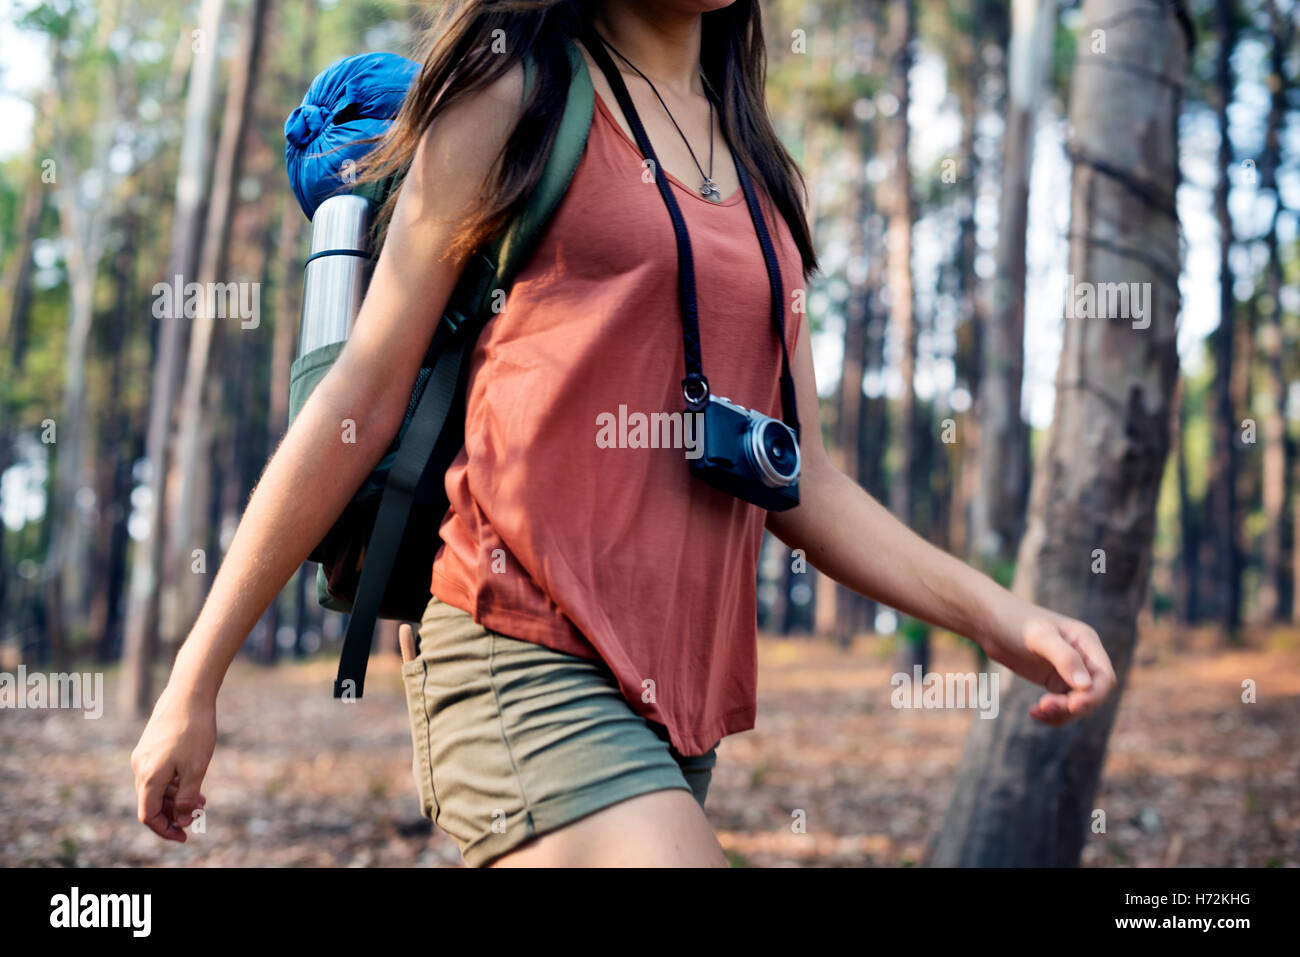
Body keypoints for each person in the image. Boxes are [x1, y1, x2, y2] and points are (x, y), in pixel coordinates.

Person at [131, 0, 1117, 867]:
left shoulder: (769, 182)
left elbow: (803, 480)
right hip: (517, 649)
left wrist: (1002, 618)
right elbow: (359, 397)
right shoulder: (512, 95)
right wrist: (196, 676)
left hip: (682, 696)